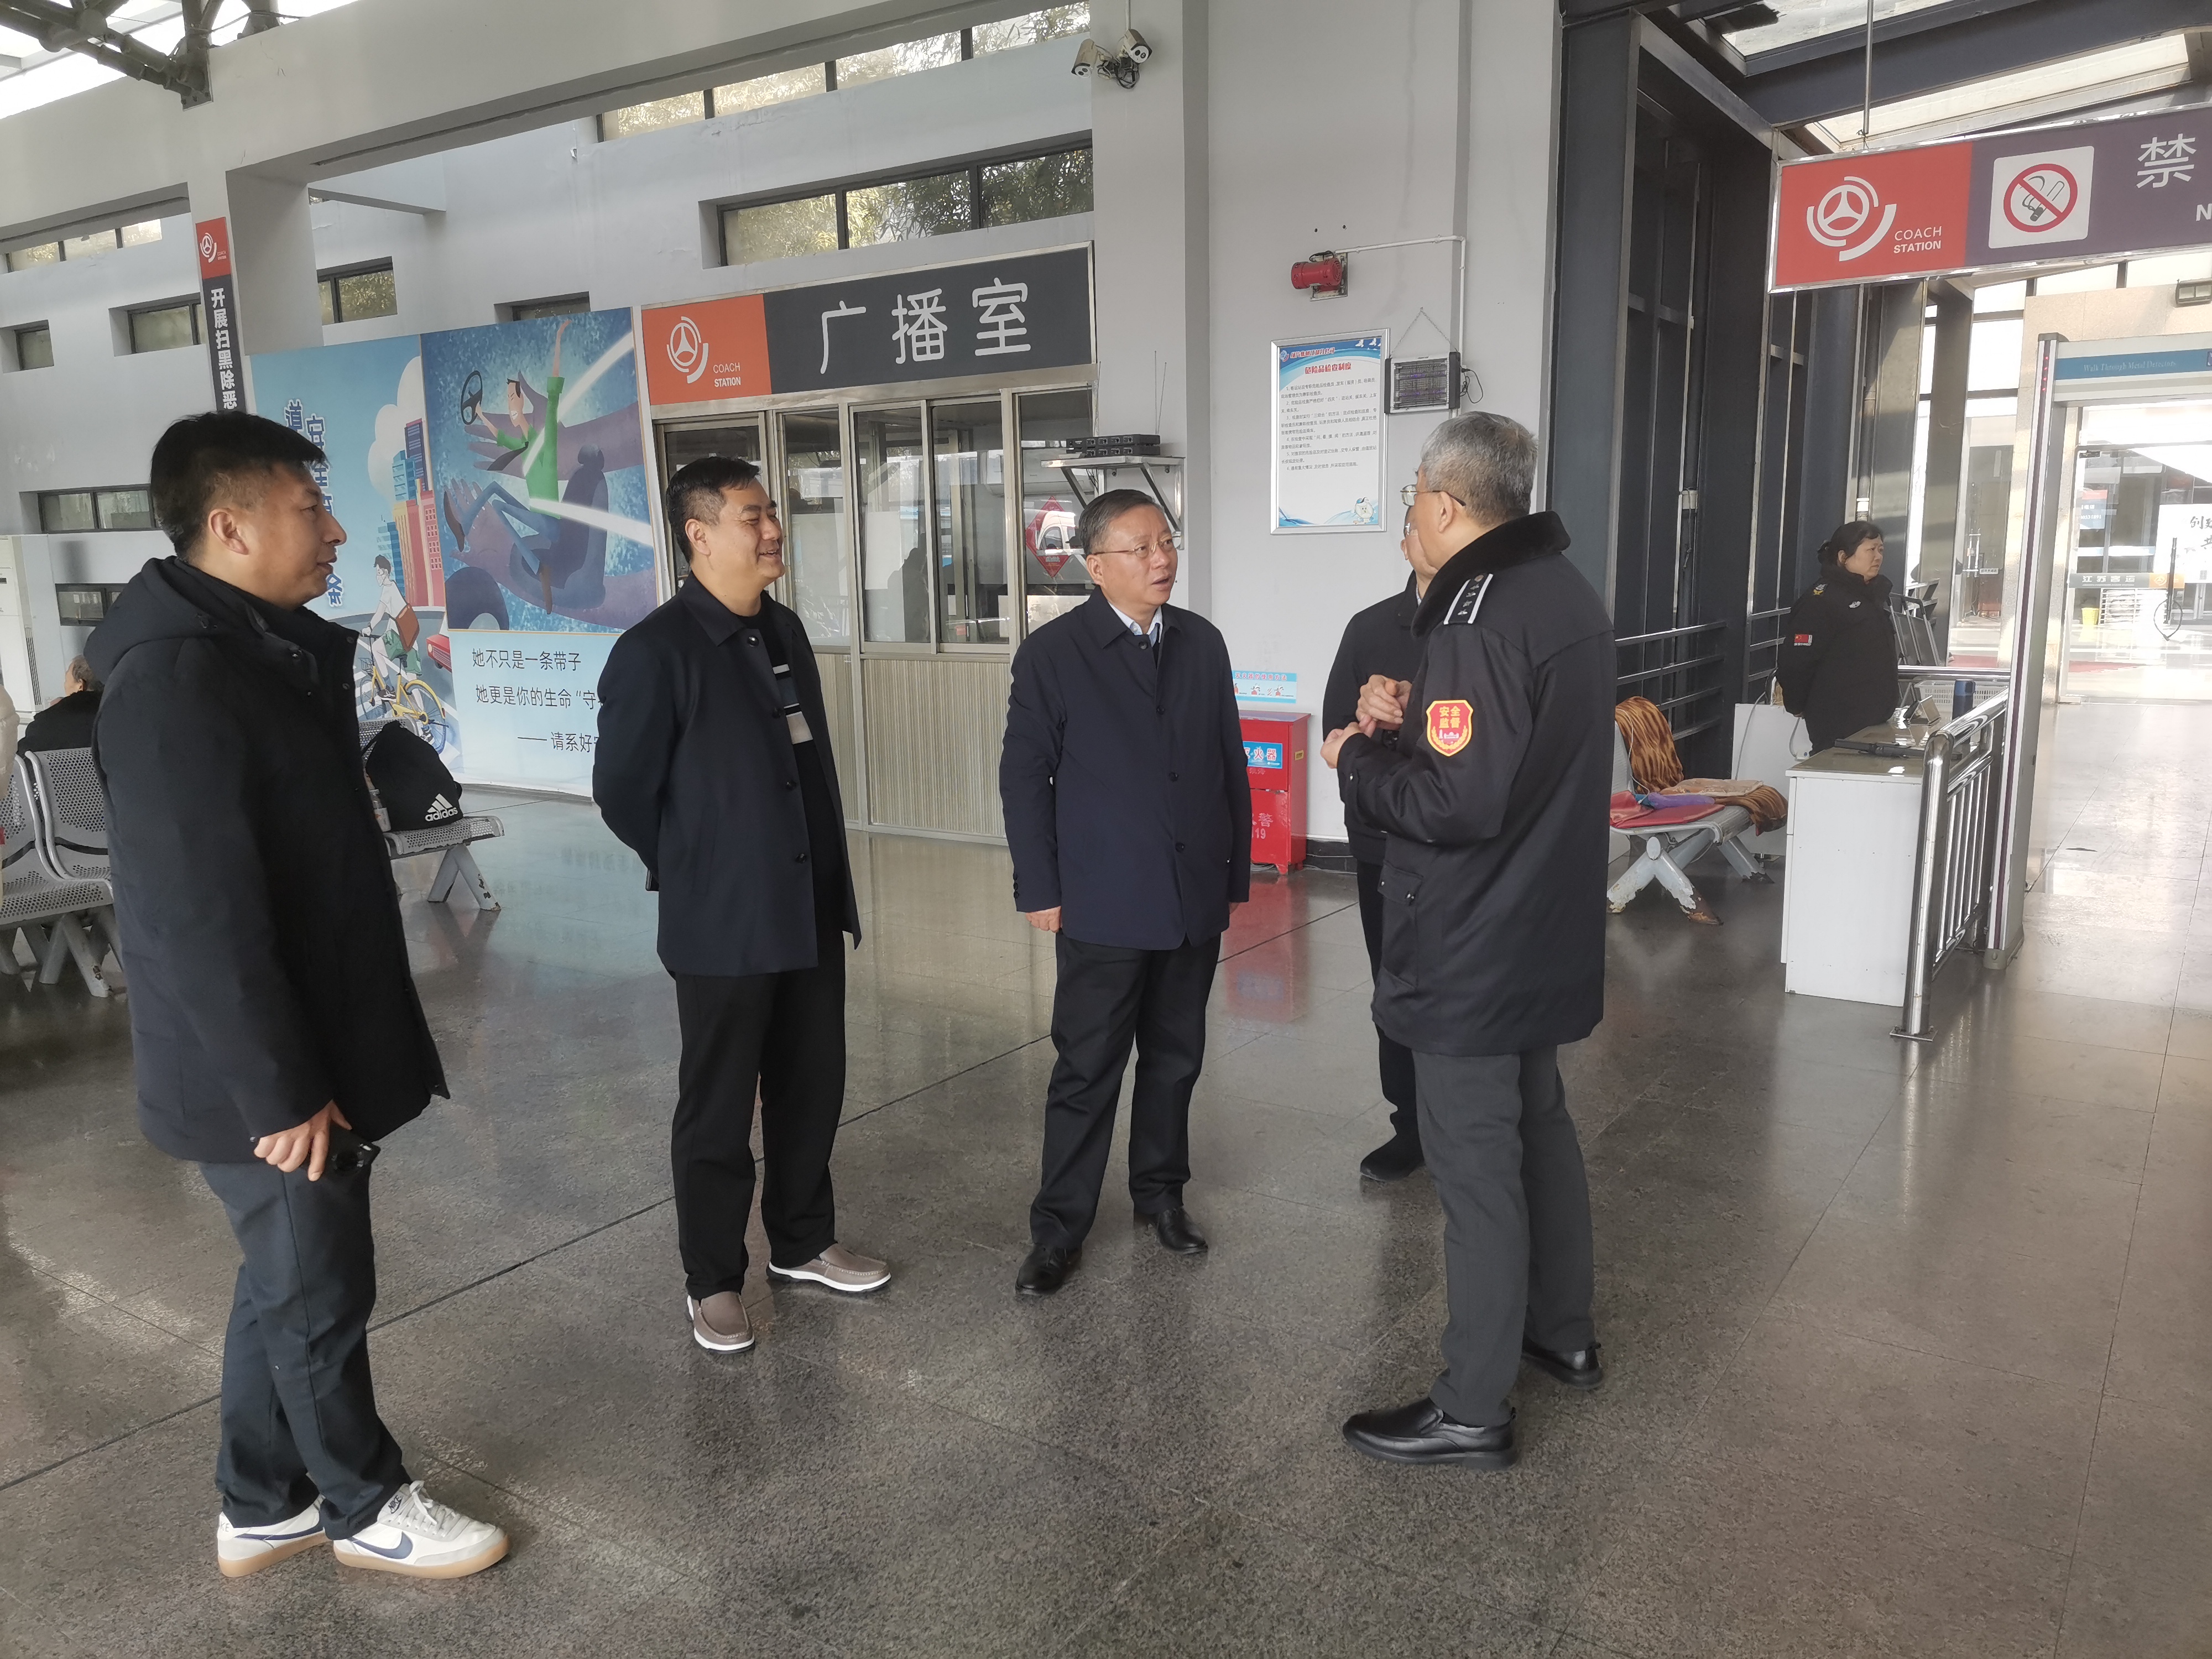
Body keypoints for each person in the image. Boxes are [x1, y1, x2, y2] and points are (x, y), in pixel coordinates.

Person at [88, 410, 508, 1579]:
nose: (332, 531)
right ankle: (362, 1506)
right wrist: (277, 1093)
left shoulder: (253, 647)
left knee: (285, 1277)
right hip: (259, 1071)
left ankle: (260, 1498)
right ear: (230, 527)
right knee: (320, 1283)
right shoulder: (177, 679)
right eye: (308, 509)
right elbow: (197, 918)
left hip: (300, 1037)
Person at [1320, 412, 1611, 1471]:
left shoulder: (1475, 615)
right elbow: (1507, 756)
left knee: (1476, 1164)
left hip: (1474, 938)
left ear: (1445, 504)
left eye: (1413, 497)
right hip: (1541, 924)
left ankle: (1472, 1406)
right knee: (1541, 1125)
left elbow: (1457, 803)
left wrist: (1357, 759)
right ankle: (1560, 1333)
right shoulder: (1562, 592)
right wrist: (1414, 721)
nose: (1410, 513)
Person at [594, 454, 888, 1357]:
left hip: (808, 906)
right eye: (753, 516)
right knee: (719, 1107)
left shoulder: (782, 628)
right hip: (723, 921)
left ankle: (801, 1242)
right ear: (699, 534)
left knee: (811, 1085)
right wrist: (698, 867)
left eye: (772, 514)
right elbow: (623, 792)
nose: (773, 530)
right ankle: (713, 1280)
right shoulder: (656, 651)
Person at [999, 489, 1252, 1296]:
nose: (1161, 560)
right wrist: (1039, 887)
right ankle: (1058, 1229)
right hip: (1102, 899)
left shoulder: (1201, 643)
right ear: (1096, 565)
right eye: (1140, 548)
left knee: (1176, 1059)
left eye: (1166, 543)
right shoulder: (1054, 654)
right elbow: (1024, 779)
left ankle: (1161, 1196)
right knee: (1088, 1068)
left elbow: (1229, 763)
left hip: (1189, 897)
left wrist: (1232, 874)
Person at [1321, 507, 1434, 1182]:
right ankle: (1409, 1124)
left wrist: (1417, 708)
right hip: (1384, 842)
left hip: (1461, 839)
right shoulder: (1369, 628)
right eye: (1419, 525)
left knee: (1456, 985)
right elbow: (1335, 735)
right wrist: (1369, 718)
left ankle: (1461, 1122)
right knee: (1392, 982)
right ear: (1405, 542)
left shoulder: (1486, 626)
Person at [1776, 520, 1898, 754]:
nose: (1878, 557)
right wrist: (1795, 703)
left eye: (1881, 550)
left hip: (1873, 724)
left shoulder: (1870, 598)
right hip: (1839, 726)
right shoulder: (1821, 601)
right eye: (1870, 550)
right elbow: (1797, 661)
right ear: (1844, 557)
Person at [19, 656, 102, 752]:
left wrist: (55, 712)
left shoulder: (47, 723)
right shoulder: (113, 712)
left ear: (80, 685)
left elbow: (21, 757)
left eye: (66, 680)